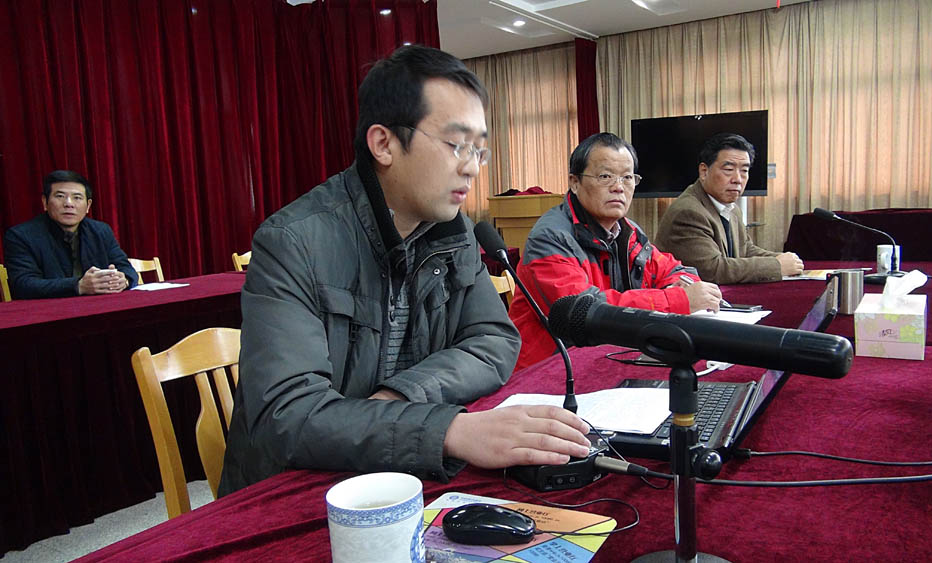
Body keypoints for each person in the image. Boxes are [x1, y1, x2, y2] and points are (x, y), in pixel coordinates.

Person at [218, 45, 592, 495]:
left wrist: (403, 395)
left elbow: (493, 340)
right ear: (384, 144)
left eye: (479, 150)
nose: (472, 167)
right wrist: (447, 430)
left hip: (399, 471)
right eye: (457, 145)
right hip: (296, 489)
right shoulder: (293, 242)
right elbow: (288, 417)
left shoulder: (455, 231)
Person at [508, 132, 723, 370]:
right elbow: (586, 313)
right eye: (605, 176)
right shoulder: (550, 239)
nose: (618, 187)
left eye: (627, 177)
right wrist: (677, 300)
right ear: (575, 182)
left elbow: (675, 269)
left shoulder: (628, 231)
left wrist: (678, 287)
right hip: (552, 367)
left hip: (608, 353)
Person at [653, 133, 803, 284]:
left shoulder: (731, 207)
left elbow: (745, 249)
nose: (738, 179)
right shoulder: (688, 212)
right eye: (729, 169)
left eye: (744, 171)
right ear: (704, 171)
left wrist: (782, 259)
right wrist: (776, 266)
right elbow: (712, 270)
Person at [2, 170, 137, 299]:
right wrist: (78, 286)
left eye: (77, 197)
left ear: (88, 205)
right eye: (60, 196)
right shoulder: (21, 236)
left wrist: (123, 280)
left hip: (99, 307)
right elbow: (23, 284)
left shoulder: (101, 230)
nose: (69, 203)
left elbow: (126, 268)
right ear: (45, 202)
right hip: (49, 310)